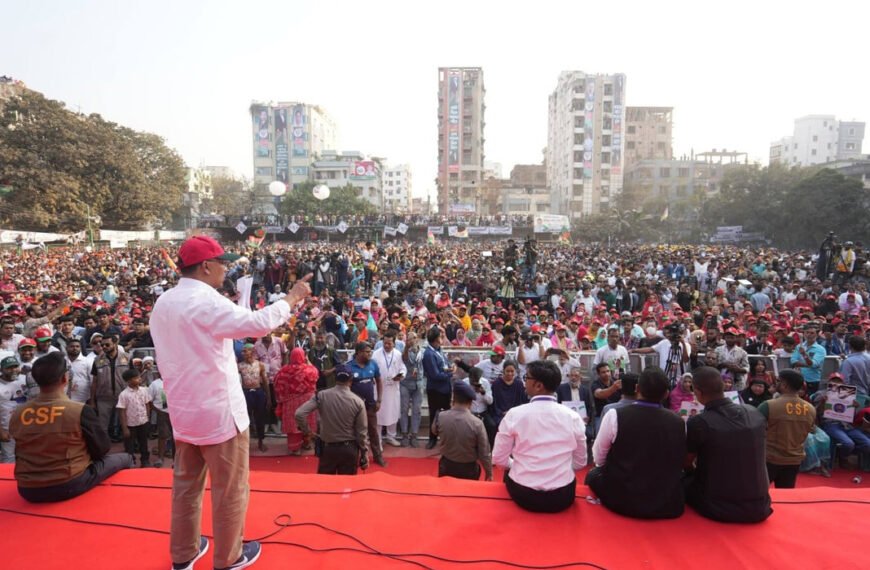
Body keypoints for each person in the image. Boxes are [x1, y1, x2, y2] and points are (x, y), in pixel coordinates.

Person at [150, 235, 312, 570]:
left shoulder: (164, 302)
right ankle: (229, 557)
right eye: (222, 263)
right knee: (230, 490)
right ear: (206, 266)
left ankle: (184, 553)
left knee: (185, 487)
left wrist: (233, 306)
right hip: (219, 414)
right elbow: (256, 327)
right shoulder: (208, 302)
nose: (226, 269)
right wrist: (292, 298)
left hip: (184, 413)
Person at [6, 352, 133, 502]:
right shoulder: (79, 410)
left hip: (27, 489)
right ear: (65, 378)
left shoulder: (18, 413)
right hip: (68, 484)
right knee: (126, 457)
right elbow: (102, 449)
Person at [586, 366, 686, 519]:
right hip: (666, 502)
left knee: (593, 474)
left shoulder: (615, 415)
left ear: (637, 388)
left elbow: (599, 457)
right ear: (666, 394)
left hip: (623, 499)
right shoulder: (679, 422)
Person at [492, 360, 586, 513]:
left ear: (538, 385)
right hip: (563, 495)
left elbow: (499, 460)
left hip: (524, 494)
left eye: (526, 378)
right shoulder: (573, 417)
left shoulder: (514, 414)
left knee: (508, 472)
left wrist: (516, 465)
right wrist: (556, 469)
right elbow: (580, 462)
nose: (523, 382)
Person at [684, 366, 772, 523]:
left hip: (718, 506)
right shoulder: (754, 412)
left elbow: (686, 462)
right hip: (760, 504)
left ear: (697, 392)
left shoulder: (700, 422)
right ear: (723, 386)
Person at [295, 364, 369, 475]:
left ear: (335, 378)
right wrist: (364, 453)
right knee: (347, 486)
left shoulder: (321, 396)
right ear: (351, 379)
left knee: (326, 487)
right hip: (349, 450)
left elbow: (299, 414)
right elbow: (361, 432)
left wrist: (309, 432)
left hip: (328, 449)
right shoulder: (358, 401)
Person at [757, 369, 816, 488]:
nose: (775, 383)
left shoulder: (769, 405)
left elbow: (754, 429)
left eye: (778, 381)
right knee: (785, 494)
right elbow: (810, 429)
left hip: (769, 458)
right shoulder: (810, 408)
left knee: (757, 493)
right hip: (794, 460)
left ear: (784, 385)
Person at [433, 381, 493, 481]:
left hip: (446, 466)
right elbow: (484, 453)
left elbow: (434, 431)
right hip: (468, 469)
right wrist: (489, 473)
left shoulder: (440, 416)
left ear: (453, 399)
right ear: (470, 403)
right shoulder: (477, 423)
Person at [347, 341, 387, 467]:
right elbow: (346, 387)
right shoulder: (349, 366)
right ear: (358, 353)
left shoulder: (373, 364)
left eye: (371, 352)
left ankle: (377, 456)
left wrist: (379, 400)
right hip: (354, 407)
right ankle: (355, 457)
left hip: (370, 405)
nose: (370, 354)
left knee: (373, 431)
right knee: (354, 432)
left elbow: (379, 381)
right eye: (367, 352)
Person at [273, 347, 319, 455]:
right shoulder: (309, 369)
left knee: (293, 424)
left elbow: (277, 384)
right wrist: (308, 361)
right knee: (306, 422)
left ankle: (294, 448)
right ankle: (306, 444)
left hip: (290, 402)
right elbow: (316, 374)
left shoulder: (284, 370)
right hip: (307, 401)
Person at [372, 331, 406, 447]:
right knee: (379, 415)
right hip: (379, 389)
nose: (387, 345)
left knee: (393, 412)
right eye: (385, 343)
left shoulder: (398, 354)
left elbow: (403, 368)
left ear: (394, 343)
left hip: (393, 388)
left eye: (389, 343)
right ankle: (378, 440)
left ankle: (391, 436)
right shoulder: (376, 354)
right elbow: (372, 368)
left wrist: (401, 375)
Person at [422, 327, 454, 449]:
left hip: (445, 388)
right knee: (434, 414)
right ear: (436, 339)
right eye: (441, 336)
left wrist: (450, 368)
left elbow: (445, 364)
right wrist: (450, 373)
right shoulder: (428, 354)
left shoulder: (439, 350)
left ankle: (445, 438)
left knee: (446, 415)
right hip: (436, 389)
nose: (442, 339)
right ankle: (432, 438)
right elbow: (435, 375)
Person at [116, 368, 153, 468]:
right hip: (130, 424)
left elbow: (147, 405)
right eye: (136, 378)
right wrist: (124, 428)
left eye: (139, 377)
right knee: (130, 445)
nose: (139, 379)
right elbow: (122, 411)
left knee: (144, 442)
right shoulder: (124, 395)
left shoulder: (144, 391)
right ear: (128, 381)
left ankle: (145, 460)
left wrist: (147, 418)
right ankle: (130, 462)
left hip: (143, 422)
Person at [238, 344, 270, 453]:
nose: (242, 353)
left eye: (245, 351)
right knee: (245, 418)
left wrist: (269, 397)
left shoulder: (260, 365)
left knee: (260, 417)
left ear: (252, 352)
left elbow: (265, 381)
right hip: (246, 393)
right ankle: (244, 444)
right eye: (242, 351)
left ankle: (261, 442)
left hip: (258, 392)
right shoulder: (239, 366)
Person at [0, 356, 26, 463]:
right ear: (1, 369)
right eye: (9, 368)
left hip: (27, 428)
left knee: (28, 458)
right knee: (9, 460)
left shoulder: (26, 378)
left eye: (15, 367)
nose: (13, 370)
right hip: (7, 430)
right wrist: (0, 431)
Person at [790, 324, 826, 396]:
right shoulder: (799, 346)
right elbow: (793, 361)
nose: (809, 335)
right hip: (798, 379)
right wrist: (807, 365)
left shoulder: (820, 349)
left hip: (812, 380)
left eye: (812, 333)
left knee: (810, 402)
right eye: (807, 332)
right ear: (804, 334)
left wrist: (804, 354)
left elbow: (814, 364)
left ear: (817, 335)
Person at [148, 372, 173, 468]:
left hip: (176, 414)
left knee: (176, 437)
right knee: (162, 436)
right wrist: (158, 411)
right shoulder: (155, 384)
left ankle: (176, 459)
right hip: (162, 413)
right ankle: (160, 458)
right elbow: (149, 400)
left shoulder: (176, 381)